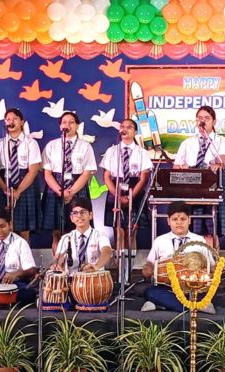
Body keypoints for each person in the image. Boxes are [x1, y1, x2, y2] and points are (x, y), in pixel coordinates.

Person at [141, 201, 215, 313]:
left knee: (211, 291)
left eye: (183, 219)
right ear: (168, 221)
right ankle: (196, 306)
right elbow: (150, 264)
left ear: (189, 220)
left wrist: (211, 274)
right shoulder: (159, 241)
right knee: (150, 292)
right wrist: (148, 269)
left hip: (193, 289)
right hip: (167, 288)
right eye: (175, 219)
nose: (179, 223)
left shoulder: (200, 241)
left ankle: (165, 305)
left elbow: (211, 266)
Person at [174, 105, 225, 246]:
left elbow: (224, 158)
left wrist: (217, 162)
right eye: (199, 118)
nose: (203, 121)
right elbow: (176, 165)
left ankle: (213, 264)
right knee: (196, 228)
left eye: (207, 118)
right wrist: (182, 167)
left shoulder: (221, 141)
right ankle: (195, 262)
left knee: (213, 228)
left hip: (214, 182)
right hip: (192, 185)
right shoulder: (187, 142)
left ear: (214, 122)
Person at [41, 111, 97, 255]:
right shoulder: (52, 146)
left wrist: (71, 192)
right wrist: (60, 192)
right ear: (60, 126)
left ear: (77, 126)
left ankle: (75, 265)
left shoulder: (85, 146)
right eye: (64, 122)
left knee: (75, 230)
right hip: (55, 189)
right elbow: (47, 174)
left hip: (77, 187)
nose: (68, 125)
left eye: (71, 122)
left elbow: (86, 173)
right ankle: (58, 267)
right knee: (57, 232)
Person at [0, 108, 42, 242]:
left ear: (22, 122)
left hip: (25, 184)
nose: (11, 122)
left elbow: (33, 170)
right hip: (4, 183)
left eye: (15, 119)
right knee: (1, 224)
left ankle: (24, 261)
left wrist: (18, 191)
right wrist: (5, 189)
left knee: (24, 227)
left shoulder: (31, 143)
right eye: (8, 119)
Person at [100, 118, 152, 250]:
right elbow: (106, 176)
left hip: (134, 190)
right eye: (122, 126)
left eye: (129, 127)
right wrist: (118, 196)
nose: (125, 129)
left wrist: (130, 197)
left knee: (131, 231)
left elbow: (143, 178)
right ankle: (119, 266)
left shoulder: (142, 153)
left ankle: (130, 267)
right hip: (115, 189)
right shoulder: (112, 151)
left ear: (135, 132)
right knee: (118, 231)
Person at [53, 197, 113, 274]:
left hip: (94, 280)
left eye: (83, 212)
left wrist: (96, 266)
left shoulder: (100, 236)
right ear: (71, 218)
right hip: (71, 280)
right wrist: (56, 264)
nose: (79, 216)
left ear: (91, 215)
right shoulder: (66, 238)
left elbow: (107, 252)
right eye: (75, 213)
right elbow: (59, 256)